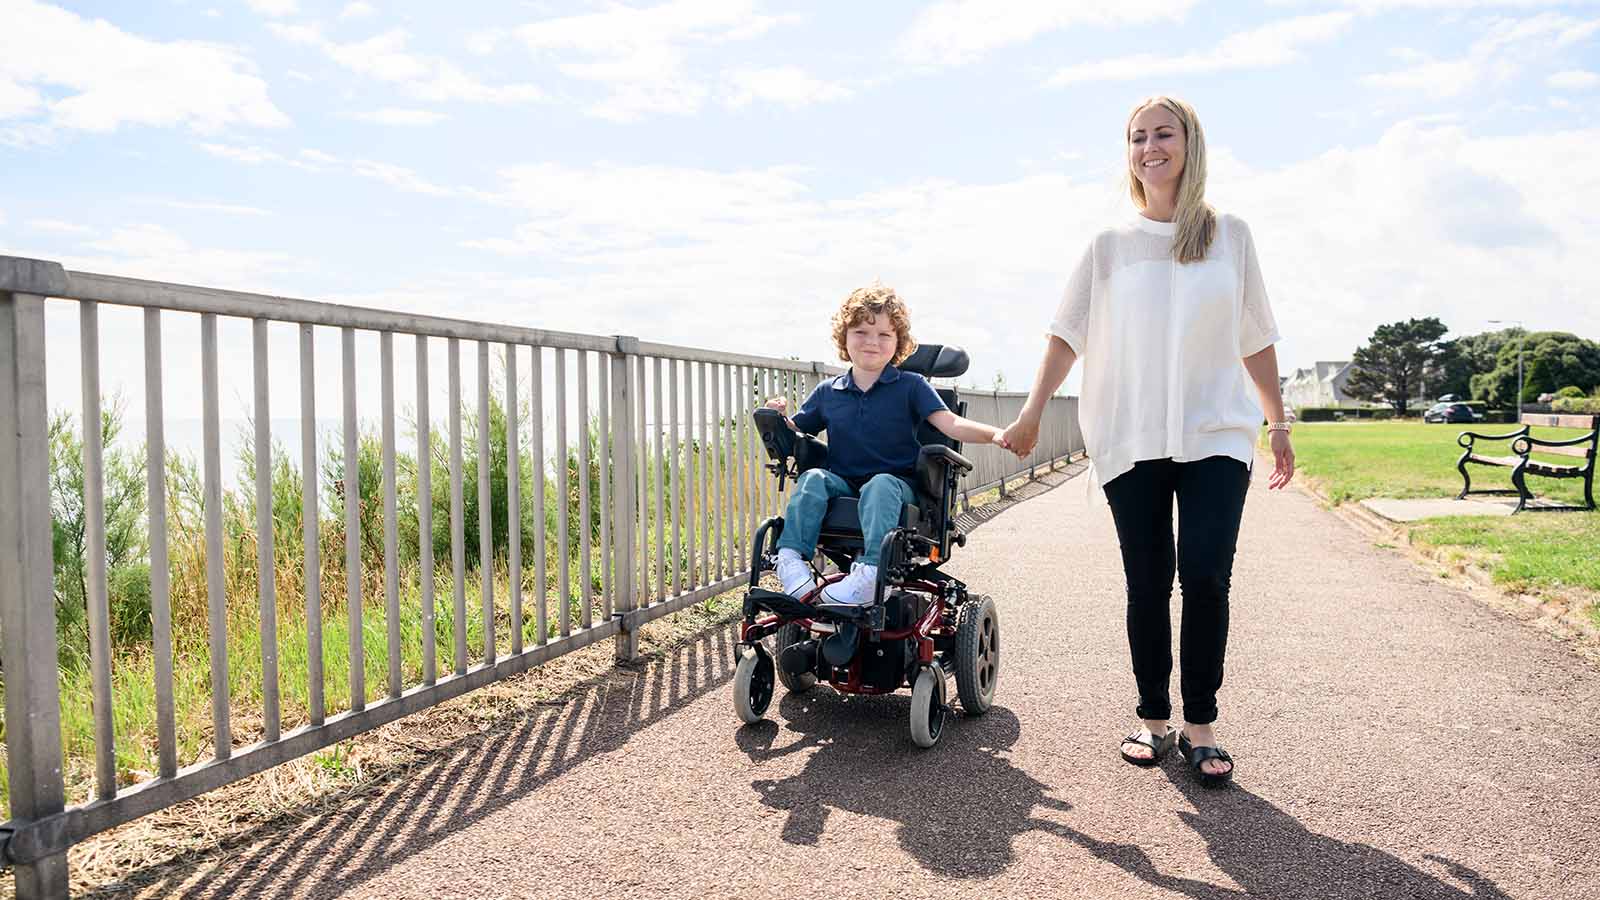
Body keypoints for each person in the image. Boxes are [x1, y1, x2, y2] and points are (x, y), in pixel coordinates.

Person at [1001, 96, 1295, 787]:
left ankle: (1201, 725)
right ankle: (1153, 718)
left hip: (1216, 433)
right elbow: (1066, 333)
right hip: (1131, 435)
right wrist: (1032, 411)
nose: (1149, 147)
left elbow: (1257, 335)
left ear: (1189, 143)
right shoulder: (1110, 245)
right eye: (1137, 137)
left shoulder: (1231, 236)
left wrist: (1277, 421)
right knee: (1148, 580)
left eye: (1162, 134)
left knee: (1206, 576)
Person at [766, 284, 1006, 606]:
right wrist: (776, 416)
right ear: (844, 338)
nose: (872, 342)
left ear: (898, 343)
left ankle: (870, 572)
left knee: (879, 486)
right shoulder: (829, 391)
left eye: (884, 335)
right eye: (861, 332)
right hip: (844, 485)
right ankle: (791, 560)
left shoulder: (910, 386)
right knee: (812, 479)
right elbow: (796, 430)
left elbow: (950, 424)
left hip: (897, 486)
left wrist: (995, 435)